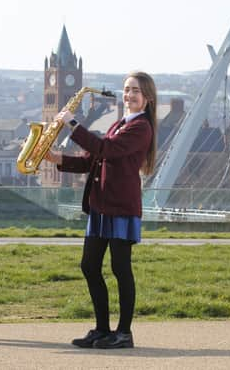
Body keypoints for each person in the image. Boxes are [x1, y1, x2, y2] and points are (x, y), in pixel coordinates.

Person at [44, 71, 157, 349]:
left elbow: (105, 149)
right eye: (127, 89)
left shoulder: (141, 127)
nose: (129, 95)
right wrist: (56, 158)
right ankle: (102, 329)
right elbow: (93, 159)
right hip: (101, 205)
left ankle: (124, 333)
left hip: (120, 207)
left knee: (121, 268)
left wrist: (72, 124)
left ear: (147, 98)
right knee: (89, 266)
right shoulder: (120, 123)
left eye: (135, 91)